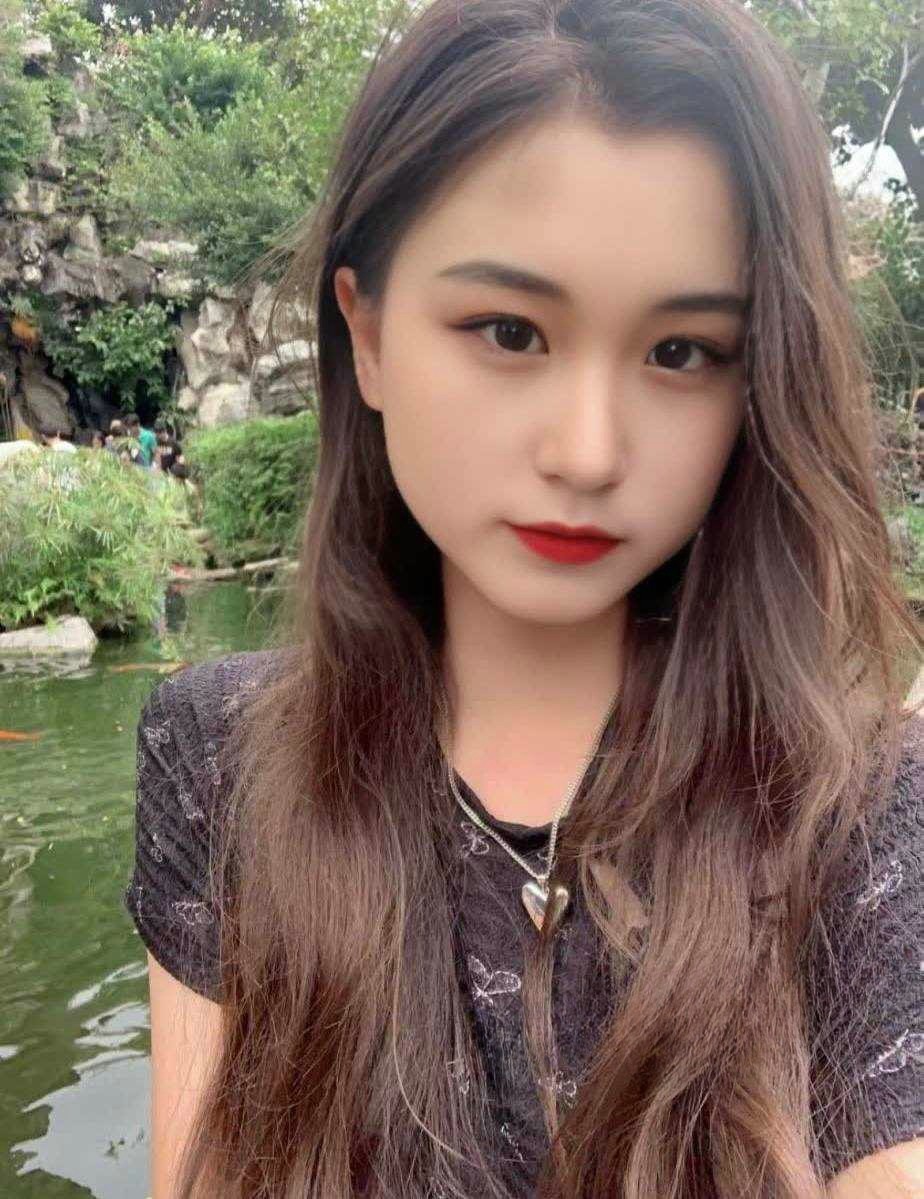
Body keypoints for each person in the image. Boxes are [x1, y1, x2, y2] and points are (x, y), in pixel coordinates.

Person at [123, 2, 924, 1197]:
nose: (589, 453)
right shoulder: (221, 759)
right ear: (367, 332)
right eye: (509, 330)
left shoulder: (861, 806)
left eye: (682, 351)